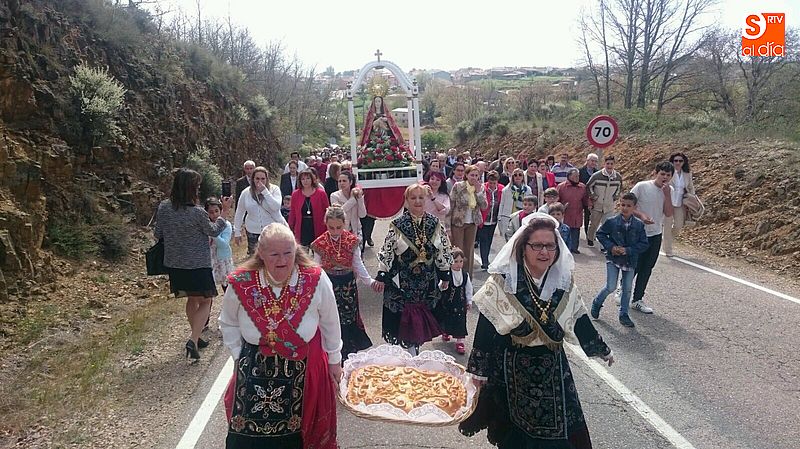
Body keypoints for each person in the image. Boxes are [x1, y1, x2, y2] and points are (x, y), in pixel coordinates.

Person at [459, 213, 613, 449]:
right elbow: (486, 324)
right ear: (523, 248)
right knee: (516, 432)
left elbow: (578, 316)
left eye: (550, 246)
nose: (544, 252)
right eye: (537, 245)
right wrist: (479, 369)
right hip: (512, 367)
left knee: (561, 429)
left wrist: (600, 348)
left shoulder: (563, 281)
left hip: (553, 367)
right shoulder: (504, 281)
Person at [219, 223, 341, 449]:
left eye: (288, 253)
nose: (282, 260)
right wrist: (238, 356)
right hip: (254, 368)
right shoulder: (241, 282)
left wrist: (335, 360)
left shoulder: (315, 278)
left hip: (304, 369)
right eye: (274, 254)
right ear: (261, 253)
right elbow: (228, 322)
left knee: (304, 436)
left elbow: (330, 322)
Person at [155, 168, 232, 361]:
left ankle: (196, 338)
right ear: (190, 188)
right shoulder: (197, 212)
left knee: (191, 298)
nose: (198, 190)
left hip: (175, 264)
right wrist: (226, 211)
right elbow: (214, 231)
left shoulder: (164, 207)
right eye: (196, 186)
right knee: (205, 301)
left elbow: (158, 234)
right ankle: (192, 339)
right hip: (198, 265)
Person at [374, 183, 454, 354]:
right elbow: (387, 250)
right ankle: (407, 357)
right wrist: (382, 274)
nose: (417, 201)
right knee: (404, 321)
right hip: (403, 280)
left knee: (421, 322)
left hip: (426, 280)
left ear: (426, 199)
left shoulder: (435, 223)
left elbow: (443, 249)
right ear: (406, 201)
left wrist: (445, 273)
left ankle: (414, 353)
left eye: (421, 197)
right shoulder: (397, 224)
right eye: (413, 198)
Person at [311, 206, 376, 360]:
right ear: (325, 224)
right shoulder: (320, 243)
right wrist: (312, 289)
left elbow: (357, 263)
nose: (335, 231)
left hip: (347, 284)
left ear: (344, 224)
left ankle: (348, 352)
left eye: (338, 227)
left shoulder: (352, 241)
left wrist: (369, 281)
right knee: (330, 317)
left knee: (348, 317)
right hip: (329, 283)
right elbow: (316, 267)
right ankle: (332, 352)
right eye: (331, 228)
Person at [590, 192, 649, 328]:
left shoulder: (639, 225)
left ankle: (624, 314)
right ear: (619, 205)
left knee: (627, 288)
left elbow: (644, 243)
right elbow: (600, 234)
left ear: (634, 207)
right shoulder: (612, 221)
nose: (625, 208)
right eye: (623, 205)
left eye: (629, 206)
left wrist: (628, 250)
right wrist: (611, 247)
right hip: (613, 258)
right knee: (611, 286)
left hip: (630, 260)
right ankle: (597, 302)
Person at [629, 161, 674, 314]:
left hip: (655, 233)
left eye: (668, 175)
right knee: (634, 265)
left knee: (647, 267)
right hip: (638, 233)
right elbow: (627, 206)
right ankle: (623, 289)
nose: (665, 177)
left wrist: (667, 195)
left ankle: (637, 299)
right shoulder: (642, 186)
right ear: (655, 173)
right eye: (662, 174)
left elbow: (668, 213)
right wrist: (641, 215)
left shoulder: (669, 190)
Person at [233, 166, 285, 256]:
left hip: (272, 230)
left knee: (272, 257)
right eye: (257, 178)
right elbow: (240, 212)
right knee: (255, 260)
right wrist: (237, 231)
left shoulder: (274, 189)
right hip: (253, 231)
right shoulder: (246, 193)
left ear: (267, 179)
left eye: (263, 179)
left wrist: (265, 192)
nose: (260, 181)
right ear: (253, 179)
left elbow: (276, 207)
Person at [449, 165, 488, 276]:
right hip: (458, 222)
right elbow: (451, 205)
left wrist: (479, 192)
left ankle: (467, 278)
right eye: (472, 175)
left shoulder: (480, 188)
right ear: (466, 175)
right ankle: (456, 275)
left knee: (469, 251)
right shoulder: (458, 186)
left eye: (476, 175)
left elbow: (484, 206)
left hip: (472, 222)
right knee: (458, 250)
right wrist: (447, 226)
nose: (474, 178)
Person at [434, 247, 473, 354]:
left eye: (461, 261)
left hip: (460, 303)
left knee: (460, 321)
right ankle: (446, 331)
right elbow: (440, 286)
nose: (458, 264)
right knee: (447, 318)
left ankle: (460, 341)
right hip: (448, 302)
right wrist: (443, 286)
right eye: (456, 261)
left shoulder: (465, 275)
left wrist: (469, 301)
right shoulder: (447, 274)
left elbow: (468, 289)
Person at [586, 155, 623, 247]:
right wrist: (593, 196)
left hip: (609, 205)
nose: (609, 166)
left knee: (607, 225)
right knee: (594, 224)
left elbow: (619, 188)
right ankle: (590, 239)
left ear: (614, 164)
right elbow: (588, 186)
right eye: (607, 164)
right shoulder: (597, 176)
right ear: (604, 164)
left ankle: (604, 245)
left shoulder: (617, 177)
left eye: (611, 164)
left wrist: (615, 197)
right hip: (597, 205)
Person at [663, 152, 695, 257]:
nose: (677, 163)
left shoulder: (687, 174)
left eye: (680, 161)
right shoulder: (668, 172)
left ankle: (666, 239)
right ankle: (668, 249)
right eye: (675, 160)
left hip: (680, 202)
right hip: (668, 202)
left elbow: (690, 187)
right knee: (667, 225)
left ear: (683, 162)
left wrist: (692, 198)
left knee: (678, 225)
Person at [288, 169, 330, 247]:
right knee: (304, 253)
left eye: (308, 178)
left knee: (318, 253)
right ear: (300, 181)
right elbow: (293, 212)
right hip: (302, 227)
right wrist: (290, 226)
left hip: (318, 226)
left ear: (312, 179)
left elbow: (327, 210)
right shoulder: (295, 194)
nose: (305, 181)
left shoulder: (321, 193)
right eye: (303, 179)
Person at [557, 168, 590, 254]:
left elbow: (585, 199)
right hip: (565, 213)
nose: (577, 178)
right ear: (569, 176)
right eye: (575, 176)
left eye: (578, 176)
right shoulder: (561, 187)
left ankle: (574, 248)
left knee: (576, 230)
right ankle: (564, 247)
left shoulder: (582, 187)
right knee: (565, 231)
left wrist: (588, 206)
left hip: (577, 212)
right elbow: (557, 200)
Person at [206, 197, 234, 293]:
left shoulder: (226, 225)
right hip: (210, 259)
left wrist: (213, 233)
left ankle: (231, 306)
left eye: (216, 211)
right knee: (209, 287)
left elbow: (223, 244)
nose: (214, 214)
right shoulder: (205, 226)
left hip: (222, 258)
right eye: (211, 212)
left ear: (221, 210)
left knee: (227, 286)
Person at [329, 171, 366, 242]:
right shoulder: (334, 196)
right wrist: (352, 200)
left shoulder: (356, 194)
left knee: (358, 252)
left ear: (350, 182)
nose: (341, 183)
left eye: (344, 181)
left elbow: (362, 215)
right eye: (339, 181)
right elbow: (339, 213)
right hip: (341, 231)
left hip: (356, 231)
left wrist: (360, 198)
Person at [477, 170, 503, 270]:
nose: (492, 185)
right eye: (490, 182)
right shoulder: (483, 188)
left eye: (494, 183)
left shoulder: (501, 189)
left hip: (494, 219)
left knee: (489, 240)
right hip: (483, 219)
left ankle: (486, 258)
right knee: (483, 240)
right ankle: (484, 261)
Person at [498, 168, 532, 242]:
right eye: (515, 175)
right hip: (510, 217)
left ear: (523, 177)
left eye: (520, 175)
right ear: (512, 177)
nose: (518, 177)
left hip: (523, 216)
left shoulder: (528, 189)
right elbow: (502, 204)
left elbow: (531, 203)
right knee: (510, 241)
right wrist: (500, 218)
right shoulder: (506, 190)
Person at [423, 171, 451, 238]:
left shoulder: (444, 196)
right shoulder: (422, 193)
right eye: (432, 179)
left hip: (438, 227)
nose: (434, 181)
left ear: (441, 183)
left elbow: (444, 210)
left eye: (438, 180)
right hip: (423, 226)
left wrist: (433, 197)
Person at [579, 154, 599, 242]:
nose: (593, 163)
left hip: (591, 197)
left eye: (595, 161)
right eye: (592, 161)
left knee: (589, 215)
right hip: (580, 196)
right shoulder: (580, 171)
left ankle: (589, 234)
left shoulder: (597, 173)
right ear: (587, 161)